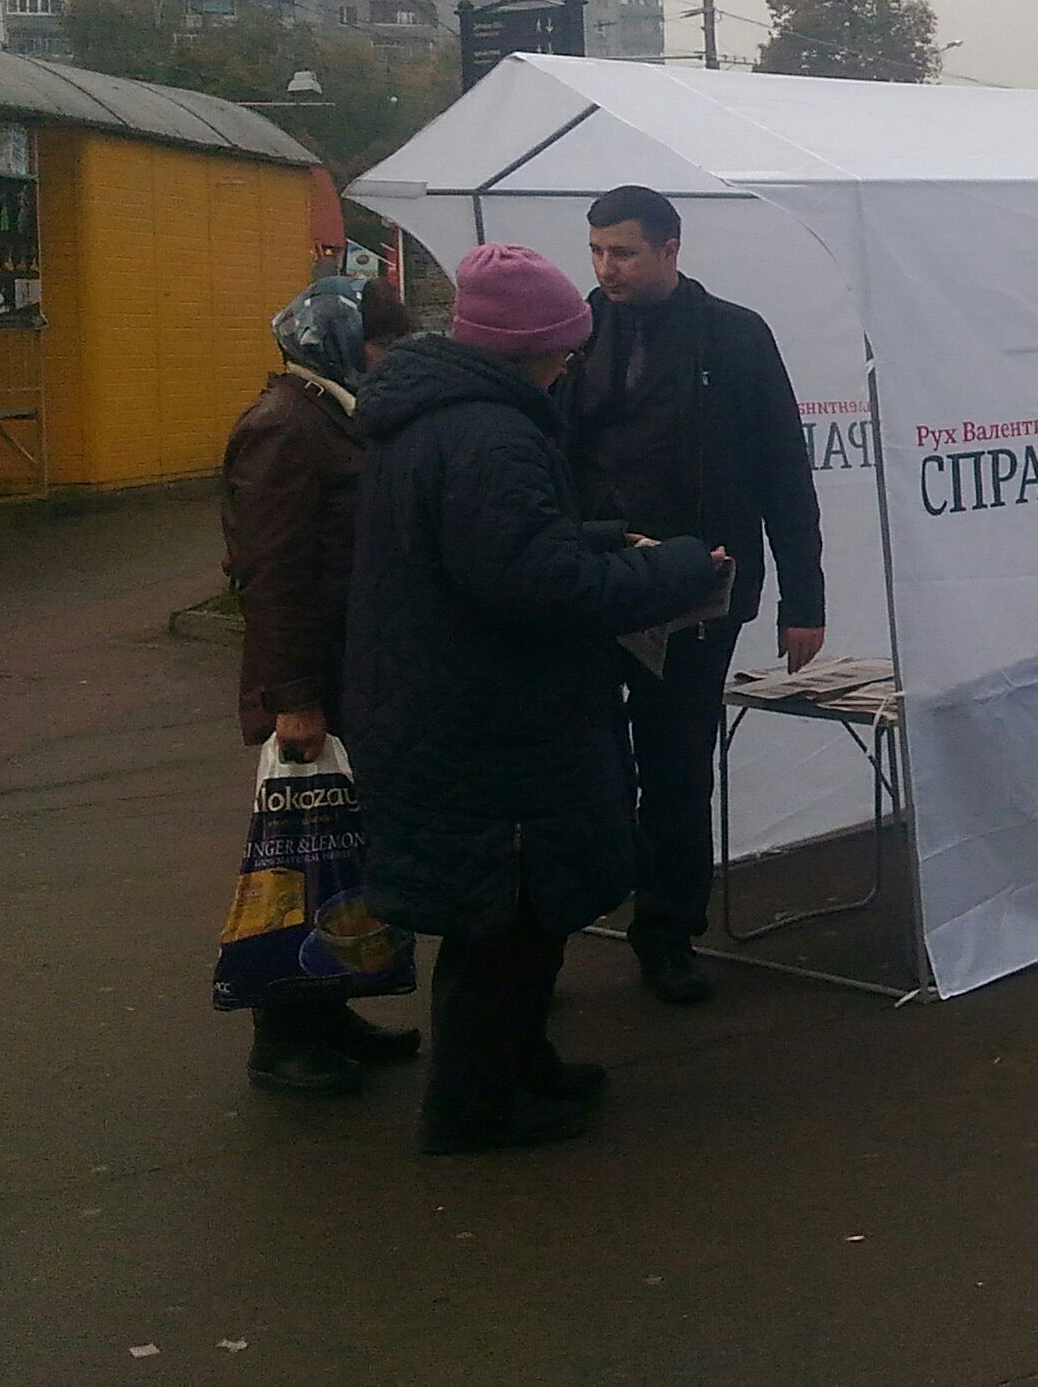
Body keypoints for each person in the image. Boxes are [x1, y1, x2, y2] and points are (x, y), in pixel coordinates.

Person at [343, 244, 728, 1155]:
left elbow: (499, 548)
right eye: (565, 346)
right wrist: (673, 567)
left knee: (522, 911)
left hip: (457, 705)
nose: (571, 362)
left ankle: (518, 1062)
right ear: (531, 347)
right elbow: (541, 587)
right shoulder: (493, 437)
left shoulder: (444, 421)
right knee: (503, 918)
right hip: (491, 721)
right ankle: (475, 1103)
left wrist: (599, 536)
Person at [560, 185, 825, 1006]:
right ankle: (554, 930)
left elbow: (784, 471)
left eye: (624, 252)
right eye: (597, 251)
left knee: (676, 768)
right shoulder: (574, 332)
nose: (607, 268)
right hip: (591, 583)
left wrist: (803, 600)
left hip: (700, 592)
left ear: (671, 249)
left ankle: (668, 932)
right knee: (581, 767)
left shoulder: (734, 336)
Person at [218, 273, 421, 1097]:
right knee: (299, 861)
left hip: (344, 673)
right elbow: (271, 575)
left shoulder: (330, 413)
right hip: (311, 684)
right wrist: (293, 699)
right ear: (337, 340)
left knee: (339, 852)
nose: (388, 360)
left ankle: (328, 1006)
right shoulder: (285, 427)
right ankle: (282, 1035)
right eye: (380, 345)